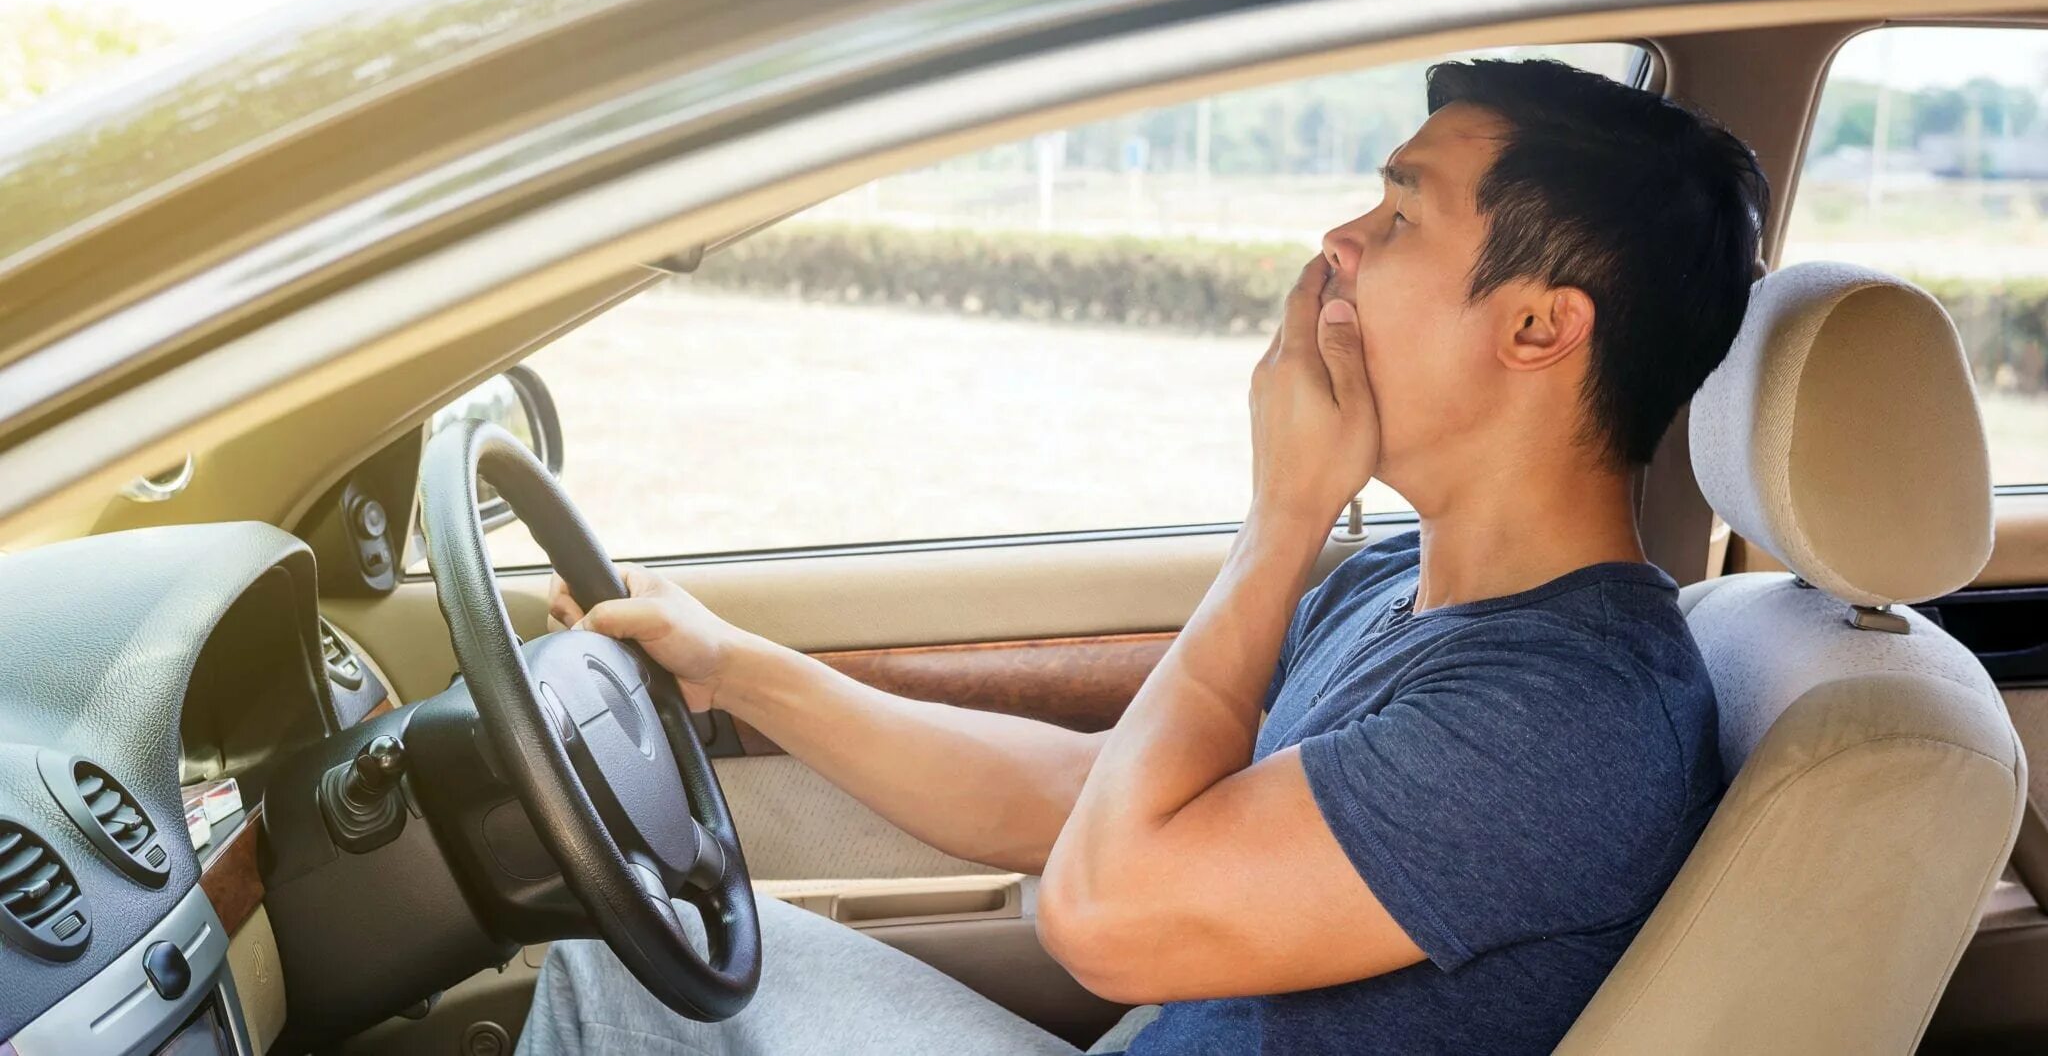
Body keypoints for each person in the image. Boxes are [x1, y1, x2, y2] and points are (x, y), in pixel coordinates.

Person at [517, 57, 1768, 1055]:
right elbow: (1087, 799)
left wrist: (1279, 518)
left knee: (616, 979)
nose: (1337, 239)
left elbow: (1106, 911)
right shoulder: (1401, 585)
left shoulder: (1562, 717)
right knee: (643, 953)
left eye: (1397, 214)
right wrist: (738, 670)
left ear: (1540, 325)